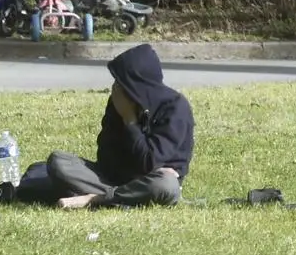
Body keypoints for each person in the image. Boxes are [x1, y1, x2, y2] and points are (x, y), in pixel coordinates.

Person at [12, 44, 193, 210]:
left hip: (155, 183)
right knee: (58, 161)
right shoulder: (118, 102)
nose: (115, 88)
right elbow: (105, 158)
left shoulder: (175, 107)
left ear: (138, 84)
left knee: (165, 184)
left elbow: (148, 162)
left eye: (121, 83)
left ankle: (94, 199)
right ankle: (124, 197)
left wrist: (130, 121)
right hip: (116, 180)